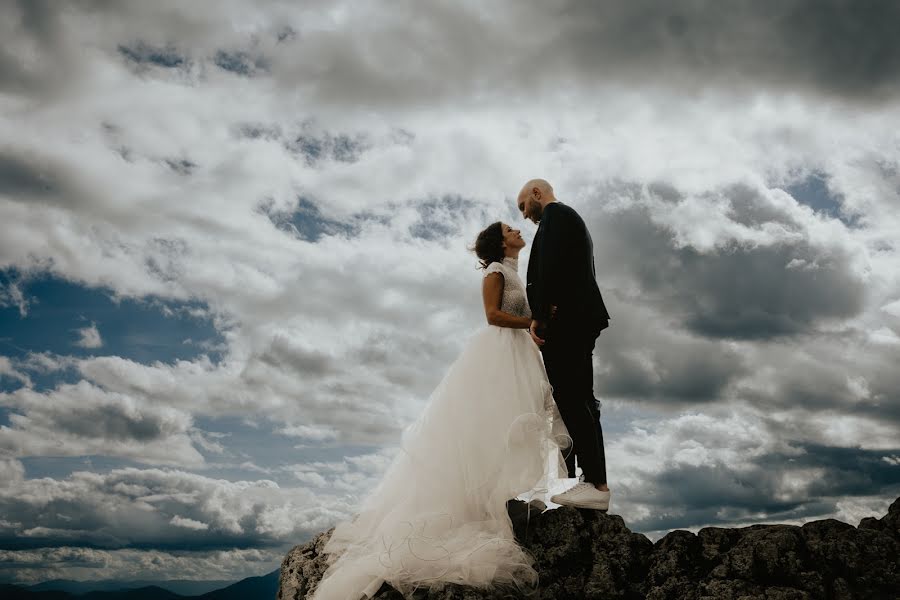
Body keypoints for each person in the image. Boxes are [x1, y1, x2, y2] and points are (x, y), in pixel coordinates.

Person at [310, 222, 571, 600]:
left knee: (516, 424)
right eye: (510, 228)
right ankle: (482, 506)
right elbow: (493, 316)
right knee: (493, 422)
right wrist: (530, 323)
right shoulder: (496, 272)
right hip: (498, 353)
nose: (517, 230)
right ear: (500, 243)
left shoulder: (518, 274)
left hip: (520, 354)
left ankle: (502, 496)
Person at [517, 178, 612, 511]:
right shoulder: (569, 220)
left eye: (523, 205)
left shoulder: (556, 217)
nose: (524, 215)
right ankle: (594, 483)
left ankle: (595, 484)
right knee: (582, 398)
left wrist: (540, 316)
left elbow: (550, 268)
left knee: (571, 397)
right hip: (579, 317)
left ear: (537, 194)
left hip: (567, 322)